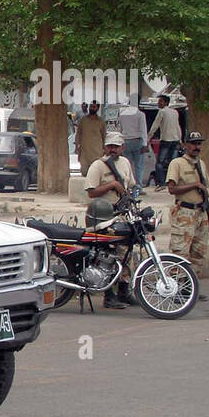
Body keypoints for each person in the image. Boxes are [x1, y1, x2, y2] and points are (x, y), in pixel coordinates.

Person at [84, 132, 137, 309]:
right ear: (105, 147)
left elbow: (131, 186)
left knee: (125, 253)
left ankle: (124, 290)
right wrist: (112, 185)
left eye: (116, 146)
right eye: (110, 146)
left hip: (122, 213)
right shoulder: (98, 166)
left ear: (123, 147)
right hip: (102, 217)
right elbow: (91, 191)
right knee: (105, 255)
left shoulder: (125, 163)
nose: (113, 149)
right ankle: (109, 295)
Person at [165, 131, 209, 301]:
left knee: (198, 252)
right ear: (185, 145)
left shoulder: (201, 164)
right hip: (184, 212)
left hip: (200, 212)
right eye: (193, 143)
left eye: (199, 143)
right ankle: (174, 289)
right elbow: (172, 188)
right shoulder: (177, 163)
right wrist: (194, 184)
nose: (196, 147)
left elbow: (205, 187)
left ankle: (190, 288)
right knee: (180, 253)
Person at [148, 93, 182, 189]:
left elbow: (155, 125)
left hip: (166, 140)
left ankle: (162, 183)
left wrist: (148, 138)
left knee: (160, 162)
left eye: (160, 101)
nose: (159, 103)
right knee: (173, 163)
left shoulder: (162, 112)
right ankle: (174, 182)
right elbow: (178, 127)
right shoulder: (175, 112)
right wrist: (180, 140)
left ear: (166, 103)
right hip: (175, 140)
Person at [116, 97, 148, 186]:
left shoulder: (122, 114)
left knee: (127, 165)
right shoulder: (140, 114)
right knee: (139, 166)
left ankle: (127, 185)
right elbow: (143, 130)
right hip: (138, 141)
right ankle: (138, 186)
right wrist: (145, 144)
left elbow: (119, 129)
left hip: (126, 142)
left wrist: (120, 142)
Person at [75, 101, 105, 178]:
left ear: (97, 108)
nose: (92, 108)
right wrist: (77, 146)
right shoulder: (83, 120)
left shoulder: (101, 121)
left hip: (97, 152)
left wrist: (105, 149)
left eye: (94, 107)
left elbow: (104, 136)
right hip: (85, 152)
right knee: (84, 172)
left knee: (96, 174)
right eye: (91, 106)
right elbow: (78, 133)